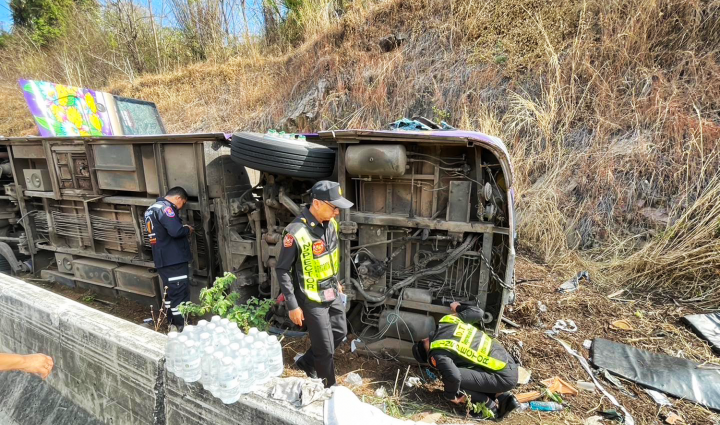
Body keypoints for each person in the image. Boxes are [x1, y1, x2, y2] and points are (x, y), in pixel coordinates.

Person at [275, 180, 353, 388]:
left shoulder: (331, 225)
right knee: (325, 348)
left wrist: (336, 280)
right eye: (334, 207)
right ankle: (329, 387)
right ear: (317, 203)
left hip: (331, 290)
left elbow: (330, 256)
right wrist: (292, 305)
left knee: (340, 332)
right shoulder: (295, 232)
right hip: (310, 296)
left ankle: (306, 362)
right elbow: (282, 269)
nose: (337, 213)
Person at [412, 302, 520, 420]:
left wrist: (450, 395)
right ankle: (505, 399)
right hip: (507, 362)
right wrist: (458, 307)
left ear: (428, 358)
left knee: (452, 381)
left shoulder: (437, 354)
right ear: (424, 339)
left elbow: (454, 377)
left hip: (503, 376)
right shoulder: (447, 321)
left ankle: (490, 409)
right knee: (465, 368)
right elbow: (478, 312)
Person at [144, 186, 194, 332]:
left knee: (171, 293)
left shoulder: (151, 209)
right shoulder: (166, 209)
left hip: (162, 259)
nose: (181, 207)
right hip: (174, 259)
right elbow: (175, 231)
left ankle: (172, 323)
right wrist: (187, 229)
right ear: (178, 198)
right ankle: (182, 327)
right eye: (183, 203)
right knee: (179, 293)